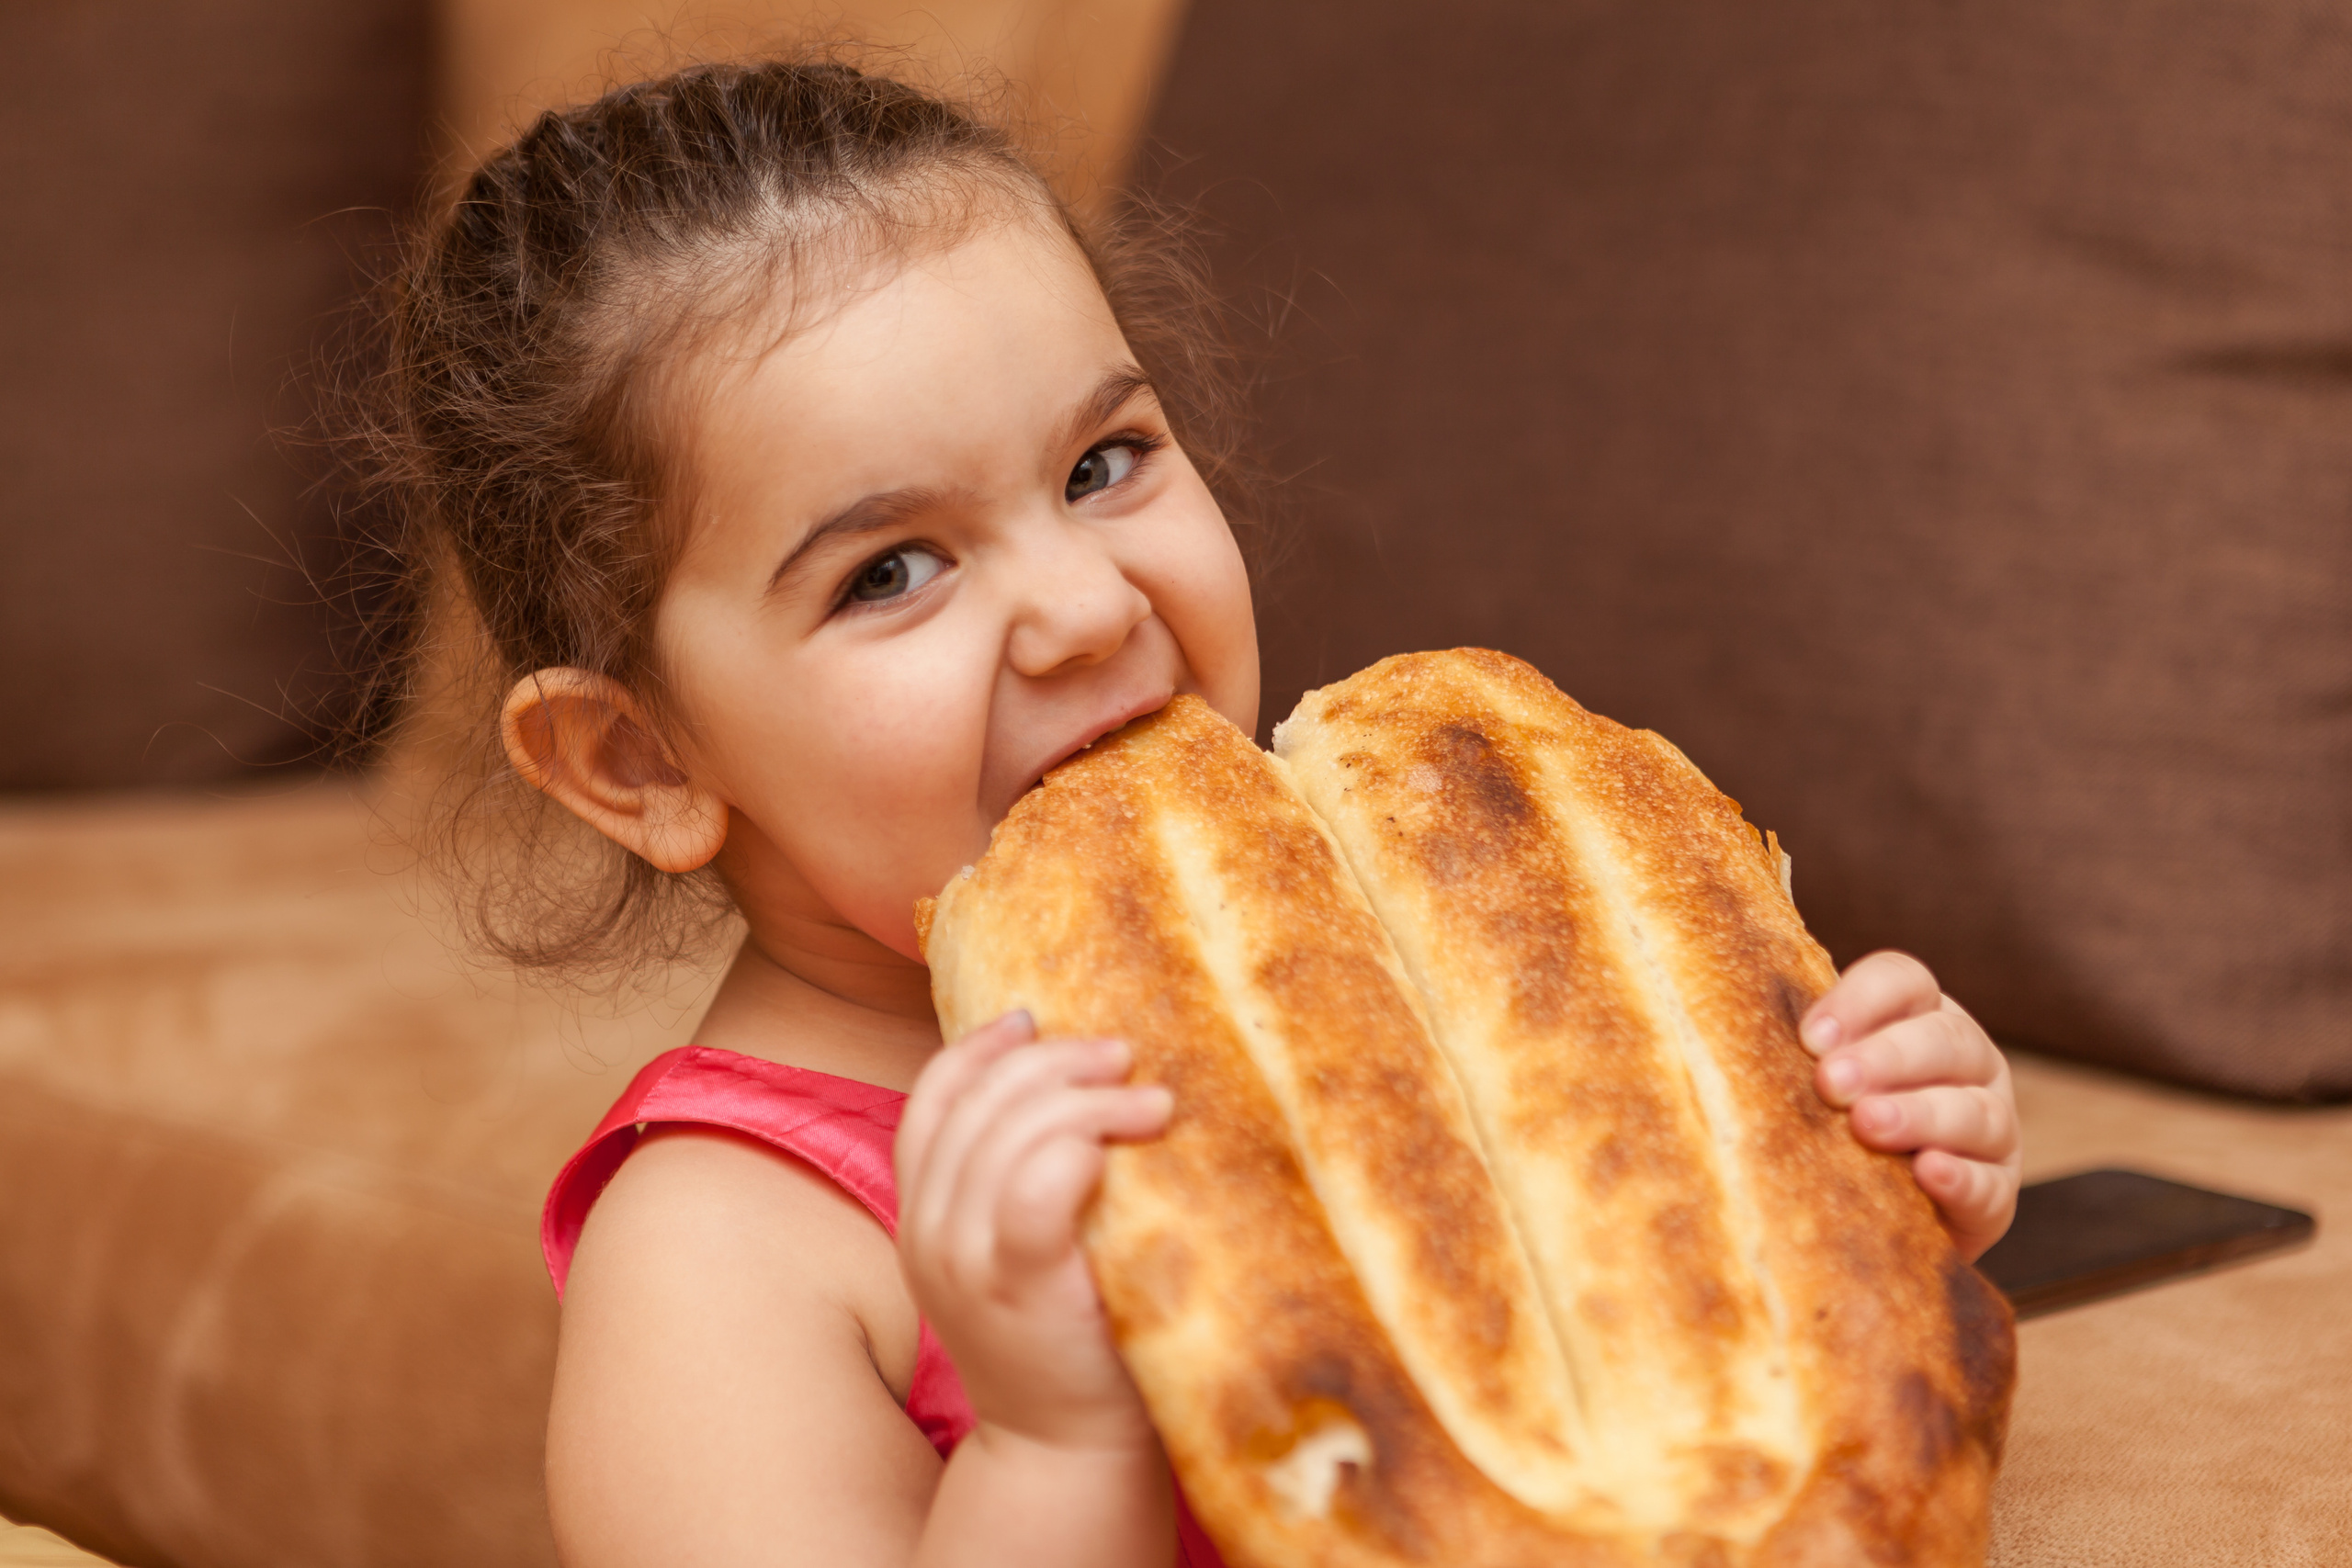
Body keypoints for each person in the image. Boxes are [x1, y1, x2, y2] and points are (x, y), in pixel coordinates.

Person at [360, 57, 2022, 1568]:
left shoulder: (1385, 982)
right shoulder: (726, 1257)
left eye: (1102, 465)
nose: (1082, 606)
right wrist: (1054, 1435)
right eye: (893, 572)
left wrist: (1860, 1206)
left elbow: (1662, 1421)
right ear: (638, 762)